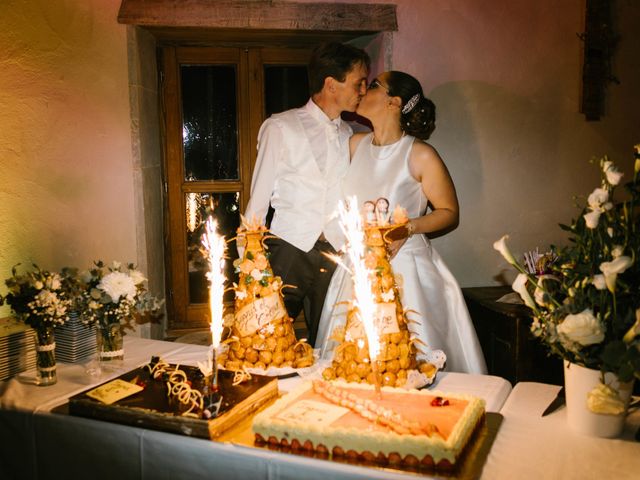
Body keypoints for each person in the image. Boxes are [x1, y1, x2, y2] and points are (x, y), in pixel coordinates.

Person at [316, 71, 487, 374]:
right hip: (359, 268)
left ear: (393, 101)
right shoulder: (355, 145)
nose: (364, 90)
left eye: (373, 86)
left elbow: (449, 211)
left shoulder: (420, 154)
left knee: (408, 359)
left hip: (406, 268)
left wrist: (407, 228)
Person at [244, 42, 370, 346]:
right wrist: (249, 266)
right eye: (358, 82)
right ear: (331, 84)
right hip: (289, 250)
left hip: (336, 253)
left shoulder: (349, 134)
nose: (363, 90)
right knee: (267, 340)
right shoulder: (280, 126)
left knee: (330, 343)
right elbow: (258, 200)